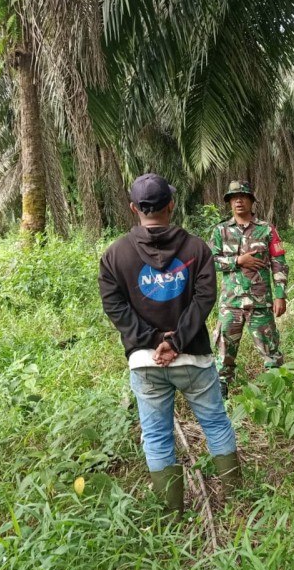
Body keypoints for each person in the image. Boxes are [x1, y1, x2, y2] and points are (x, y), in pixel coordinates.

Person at [98, 173, 241, 514]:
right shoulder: (197, 248)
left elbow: (114, 307)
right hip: (193, 359)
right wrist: (177, 341)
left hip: (145, 363)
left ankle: (172, 510)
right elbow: (205, 299)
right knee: (216, 424)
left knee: (157, 435)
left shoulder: (114, 255)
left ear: (135, 208)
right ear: (171, 205)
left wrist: (152, 341)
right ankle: (237, 498)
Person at [209, 180, 289, 397]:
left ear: (252, 201)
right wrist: (238, 260)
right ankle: (221, 394)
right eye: (234, 198)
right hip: (231, 304)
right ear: (229, 203)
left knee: (271, 353)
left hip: (260, 303)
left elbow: (279, 263)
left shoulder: (266, 230)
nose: (238, 201)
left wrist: (280, 295)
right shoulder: (221, 231)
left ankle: (277, 395)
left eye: (243, 196)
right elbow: (211, 262)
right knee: (224, 353)